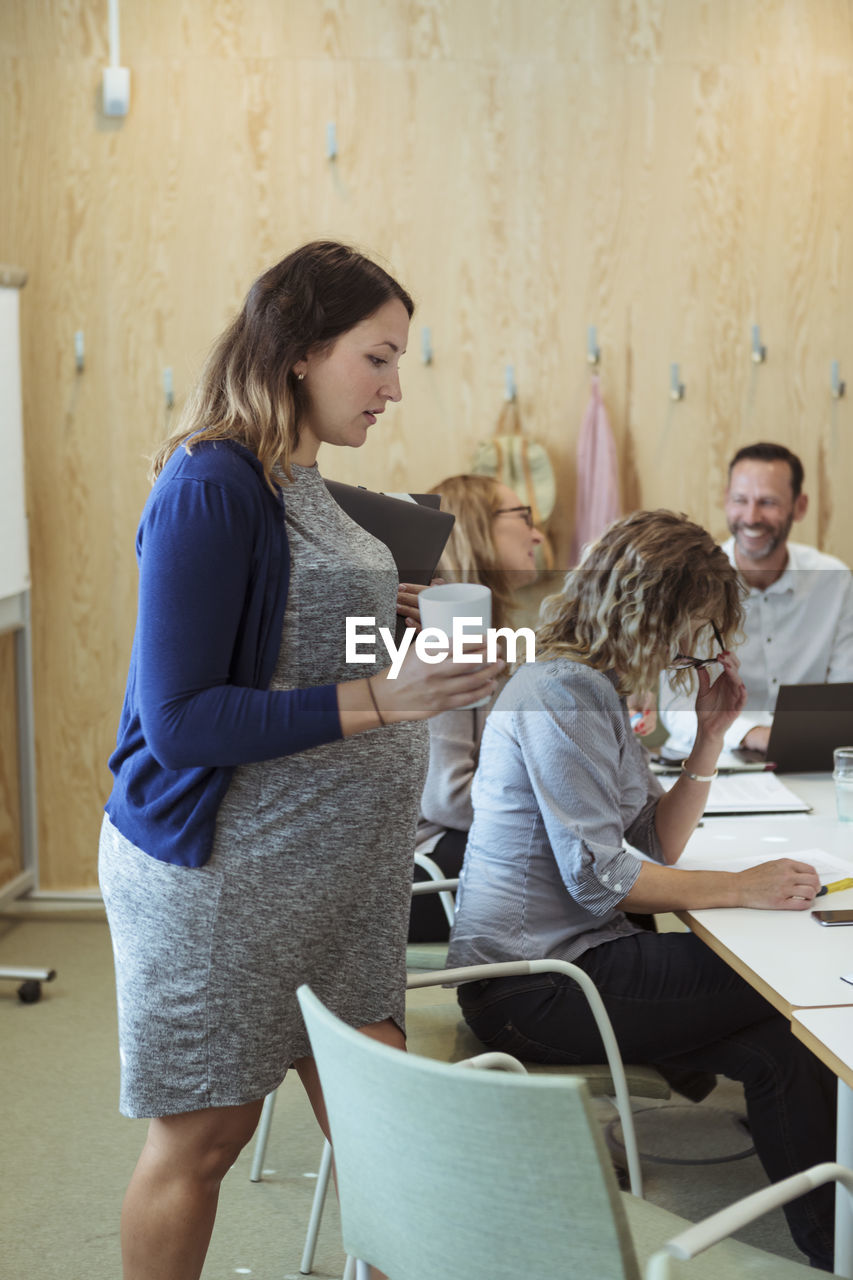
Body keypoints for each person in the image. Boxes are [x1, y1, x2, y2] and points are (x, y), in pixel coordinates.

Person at [98, 241, 504, 1280]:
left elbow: (293, 643)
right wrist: (386, 695)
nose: (394, 387)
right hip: (228, 879)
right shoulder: (209, 483)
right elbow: (181, 717)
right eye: (377, 358)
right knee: (204, 1140)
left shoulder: (303, 476)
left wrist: (409, 644)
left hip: (338, 877)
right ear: (299, 351)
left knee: (389, 1135)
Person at [446, 509, 836, 1269]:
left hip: (575, 964)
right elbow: (602, 882)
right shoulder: (560, 691)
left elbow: (649, 846)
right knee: (790, 981)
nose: (704, 647)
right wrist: (741, 888)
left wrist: (710, 739)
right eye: (700, 626)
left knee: (774, 1049)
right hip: (536, 988)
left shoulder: (587, 684)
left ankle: (832, 1241)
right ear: (656, 611)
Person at [400, 473, 544, 941]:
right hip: (427, 873)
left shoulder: (486, 637)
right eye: (523, 517)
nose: (537, 533)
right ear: (478, 528)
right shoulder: (444, 640)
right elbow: (446, 795)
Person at [660, 441, 853, 758]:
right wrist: (752, 733)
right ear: (726, 500)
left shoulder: (835, 580)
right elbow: (674, 706)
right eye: (740, 500)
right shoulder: (688, 584)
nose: (751, 517)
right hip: (708, 760)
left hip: (809, 756)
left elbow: (845, 694)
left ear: (799, 506)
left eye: (767, 502)